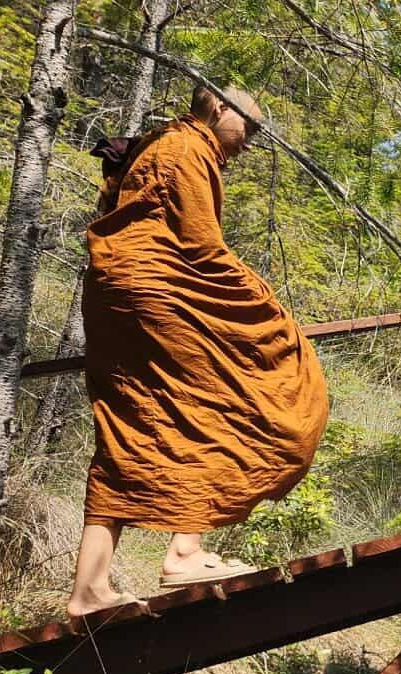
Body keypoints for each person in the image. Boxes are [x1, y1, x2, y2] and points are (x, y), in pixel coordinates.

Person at [67, 85, 329, 617]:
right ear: (218, 108)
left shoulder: (164, 144)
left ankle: (90, 589)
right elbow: (201, 247)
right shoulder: (187, 148)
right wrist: (265, 305)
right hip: (157, 294)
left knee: (135, 423)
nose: (251, 143)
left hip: (115, 294)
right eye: (249, 127)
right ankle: (183, 552)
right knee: (251, 392)